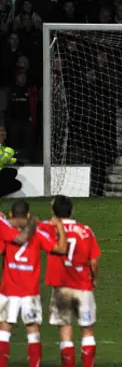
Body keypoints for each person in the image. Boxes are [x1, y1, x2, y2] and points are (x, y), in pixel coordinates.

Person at [0, 200, 67, 367]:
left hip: (8, 289)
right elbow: (60, 249)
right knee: (33, 332)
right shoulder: (37, 234)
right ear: (28, 215)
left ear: (11, 214)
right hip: (30, 291)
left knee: (4, 331)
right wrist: (59, 226)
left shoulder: (5, 232)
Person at [46, 195, 101, 367]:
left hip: (61, 287)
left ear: (54, 212)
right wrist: (94, 279)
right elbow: (94, 260)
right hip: (83, 285)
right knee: (87, 330)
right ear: (72, 211)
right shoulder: (85, 231)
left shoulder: (50, 230)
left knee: (65, 329)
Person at [0, 129, 21, 197]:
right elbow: (1, 159)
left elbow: (4, 159)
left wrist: (15, 160)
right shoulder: (5, 148)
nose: (4, 138)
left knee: (13, 176)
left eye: (5, 135)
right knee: (10, 172)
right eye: (2, 135)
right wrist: (10, 151)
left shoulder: (2, 147)